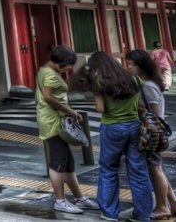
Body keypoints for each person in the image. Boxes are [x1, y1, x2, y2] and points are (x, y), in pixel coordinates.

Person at [79, 50, 153, 222]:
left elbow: (101, 109)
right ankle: (142, 214)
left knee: (108, 170)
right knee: (138, 171)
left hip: (112, 127)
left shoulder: (99, 82)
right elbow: (140, 104)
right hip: (135, 126)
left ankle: (109, 213)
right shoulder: (134, 79)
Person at [34, 45, 98, 215]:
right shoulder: (50, 74)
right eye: (70, 64)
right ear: (63, 61)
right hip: (54, 122)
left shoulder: (44, 70)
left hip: (53, 119)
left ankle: (79, 198)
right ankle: (60, 201)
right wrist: (70, 111)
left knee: (68, 162)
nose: (70, 68)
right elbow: (48, 97)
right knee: (58, 162)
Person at [125, 50, 176, 220]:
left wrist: (135, 106)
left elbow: (154, 115)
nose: (129, 67)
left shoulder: (148, 86)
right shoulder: (148, 84)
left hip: (151, 134)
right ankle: (174, 204)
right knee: (157, 169)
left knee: (155, 170)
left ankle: (162, 207)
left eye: (132, 64)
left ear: (142, 66)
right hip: (154, 133)